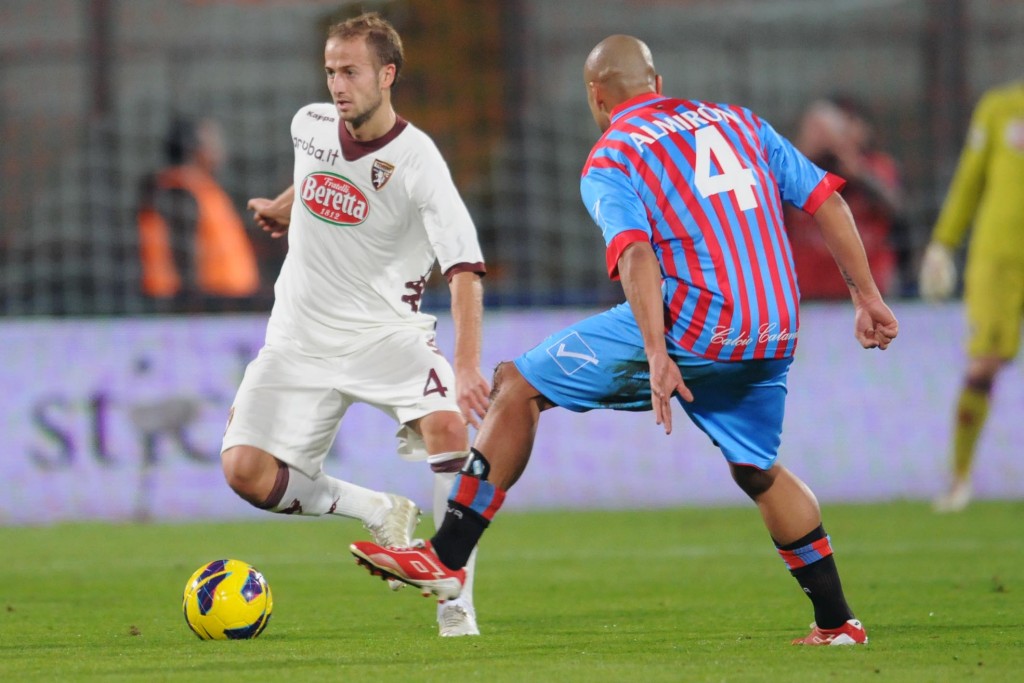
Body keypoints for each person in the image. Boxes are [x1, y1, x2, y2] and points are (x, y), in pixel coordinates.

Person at [351, 34, 899, 646]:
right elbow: (825, 199)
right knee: (758, 468)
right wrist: (867, 296)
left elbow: (636, 252)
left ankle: (447, 557)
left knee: (520, 384)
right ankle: (837, 623)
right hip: (774, 326)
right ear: (655, 81)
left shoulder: (612, 156)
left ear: (597, 95)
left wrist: (660, 353)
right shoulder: (740, 121)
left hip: (697, 323)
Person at [219, 12, 490, 637]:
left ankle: (455, 603)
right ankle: (374, 508)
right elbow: (315, 171)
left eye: (351, 72)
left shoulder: (419, 160)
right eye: (330, 71)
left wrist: (467, 364)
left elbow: (466, 269)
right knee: (245, 474)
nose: (337, 85)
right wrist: (287, 207)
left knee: (448, 422)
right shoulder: (309, 124)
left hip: (384, 334)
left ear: (387, 75)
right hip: (298, 336)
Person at [919, 80, 1024, 513]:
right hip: (999, 259)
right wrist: (943, 242)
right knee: (983, 366)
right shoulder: (1001, 108)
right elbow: (970, 179)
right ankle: (959, 478)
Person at [784, 96, 905, 299]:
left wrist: (857, 172)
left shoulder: (877, 167)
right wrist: (804, 158)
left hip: (868, 296)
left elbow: (896, 210)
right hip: (809, 297)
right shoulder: (794, 170)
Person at [137, 116, 261, 310]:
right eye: (213, 142)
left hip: (221, 299)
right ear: (194, 148)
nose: (220, 149)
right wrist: (193, 306)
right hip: (202, 303)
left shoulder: (199, 187)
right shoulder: (178, 190)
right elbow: (182, 255)